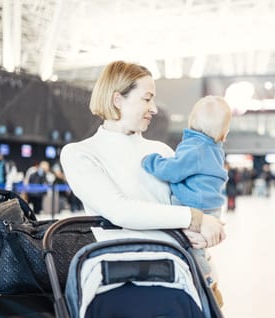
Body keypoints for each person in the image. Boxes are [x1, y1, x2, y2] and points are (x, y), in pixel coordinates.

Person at [59, 61, 225, 301]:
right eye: (147, 99)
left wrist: (207, 227)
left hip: (181, 274)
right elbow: (120, 211)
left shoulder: (163, 152)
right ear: (118, 100)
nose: (154, 108)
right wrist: (195, 218)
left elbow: (188, 202)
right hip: (122, 282)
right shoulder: (80, 154)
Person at [142, 95, 232, 303]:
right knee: (199, 245)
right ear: (223, 132)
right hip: (212, 205)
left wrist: (151, 161)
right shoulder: (214, 148)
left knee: (192, 246)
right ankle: (208, 276)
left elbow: (172, 170)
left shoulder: (194, 148)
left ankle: (206, 280)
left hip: (194, 204)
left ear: (192, 121)